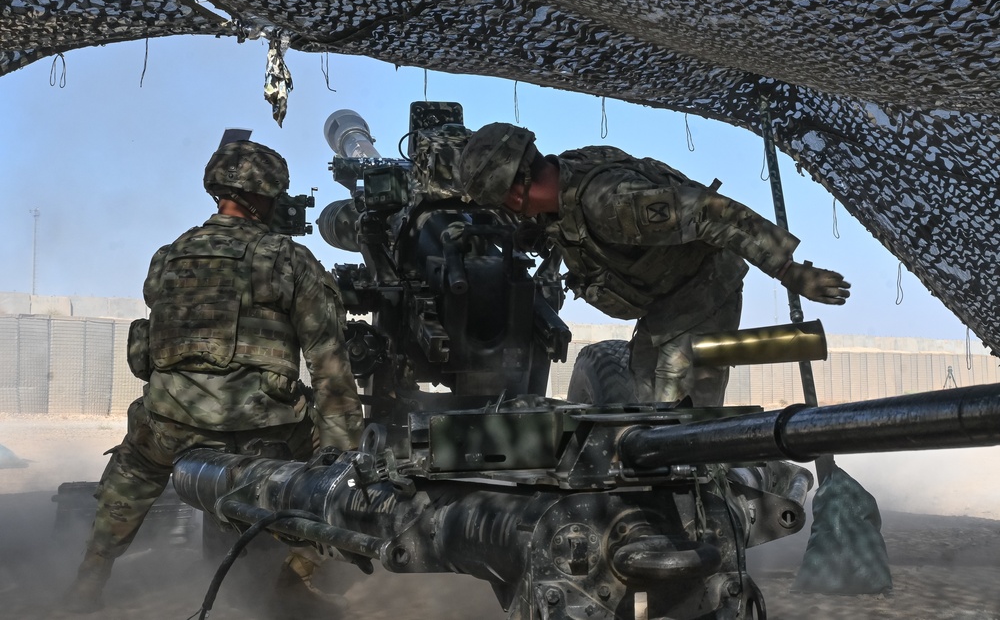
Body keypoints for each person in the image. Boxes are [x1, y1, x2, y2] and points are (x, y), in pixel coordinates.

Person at [62, 140, 364, 613]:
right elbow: (330, 368)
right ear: (266, 195)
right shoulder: (287, 259)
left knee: (133, 469)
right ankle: (297, 572)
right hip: (263, 432)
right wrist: (346, 462)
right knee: (333, 468)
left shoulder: (170, 256)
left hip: (170, 425)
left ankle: (89, 580)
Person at [458, 123, 851, 406]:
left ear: (514, 193)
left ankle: (705, 499)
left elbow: (713, 212)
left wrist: (788, 270)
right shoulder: (564, 181)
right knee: (643, 400)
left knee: (676, 415)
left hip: (705, 289)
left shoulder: (609, 201)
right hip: (665, 306)